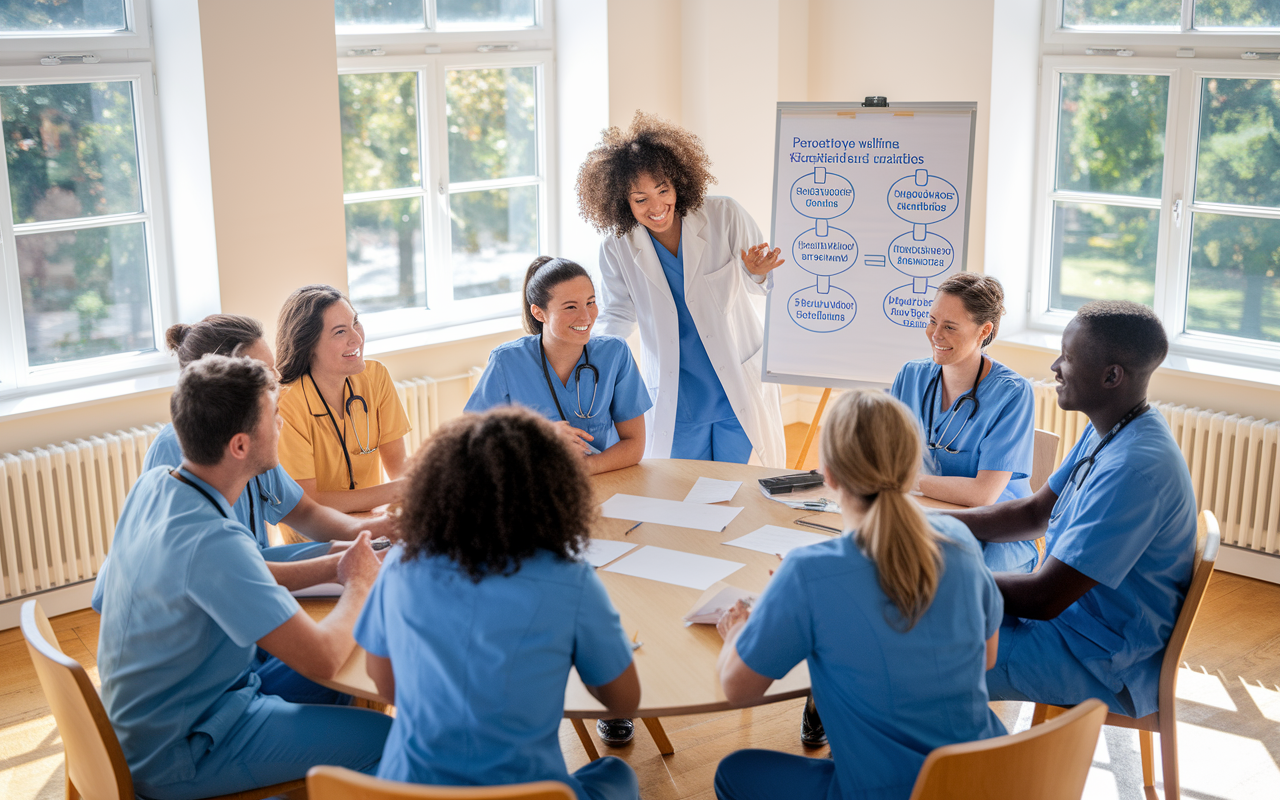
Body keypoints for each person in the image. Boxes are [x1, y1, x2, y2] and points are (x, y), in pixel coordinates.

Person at [94, 355, 392, 800]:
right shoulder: (213, 540)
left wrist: (334, 566)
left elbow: (228, 574)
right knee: (386, 739)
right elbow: (324, 658)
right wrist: (361, 582)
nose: (282, 426)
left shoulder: (157, 485)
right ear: (240, 445)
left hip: (161, 720)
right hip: (185, 751)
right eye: (275, 417)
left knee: (337, 693)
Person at [712, 390, 1005, 800]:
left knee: (734, 772)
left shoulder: (807, 572)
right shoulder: (959, 538)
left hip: (891, 791)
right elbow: (988, 657)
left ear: (828, 475)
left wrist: (739, 631)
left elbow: (737, 689)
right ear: (910, 469)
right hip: (989, 777)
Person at [354, 407, 641, 800]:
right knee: (616, 773)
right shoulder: (570, 579)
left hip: (409, 790)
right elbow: (623, 701)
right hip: (532, 791)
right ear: (554, 493)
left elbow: (385, 684)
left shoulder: (401, 564)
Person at [945, 300, 1197, 718]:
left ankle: (931, 776)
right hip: (1069, 626)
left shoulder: (1135, 469)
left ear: (1111, 375)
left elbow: (1044, 598)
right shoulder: (1111, 428)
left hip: (1098, 659)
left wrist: (941, 577)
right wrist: (926, 524)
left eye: (1068, 357)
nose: (1055, 366)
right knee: (919, 621)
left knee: (914, 652)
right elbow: (1032, 515)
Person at [92, 315, 396, 610]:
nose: (277, 381)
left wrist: (372, 532)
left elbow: (304, 512)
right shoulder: (177, 453)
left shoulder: (255, 438)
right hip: (204, 599)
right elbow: (224, 571)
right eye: (263, 372)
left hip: (243, 574)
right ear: (223, 383)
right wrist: (342, 566)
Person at [577, 111, 786, 467]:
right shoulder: (616, 247)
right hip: (679, 393)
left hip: (736, 383)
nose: (657, 207)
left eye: (663, 190)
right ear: (622, 202)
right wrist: (592, 354)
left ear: (679, 182)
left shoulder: (725, 215)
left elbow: (769, 285)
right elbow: (619, 312)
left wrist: (755, 273)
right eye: (640, 199)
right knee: (685, 493)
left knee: (746, 489)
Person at [889, 273, 1038, 574]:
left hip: (994, 532)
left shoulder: (1012, 393)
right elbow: (885, 458)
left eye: (950, 327)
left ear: (985, 330)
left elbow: (983, 495)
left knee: (938, 580)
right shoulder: (911, 376)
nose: (935, 334)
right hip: (922, 516)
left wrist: (906, 483)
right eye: (932, 321)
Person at [465, 256, 651, 475]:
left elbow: (634, 444)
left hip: (602, 480)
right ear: (538, 312)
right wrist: (540, 436)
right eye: (570, 307)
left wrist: (585, 467)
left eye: (590, 302)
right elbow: (472, 440)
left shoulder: (614, 353)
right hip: (534, 485)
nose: (586, 317)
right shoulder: (506, 361)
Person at [275, 285, 412, 515]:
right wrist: (399, 491)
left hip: (372, 524)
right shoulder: (286, 404)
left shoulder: (375, 376)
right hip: (317, 540)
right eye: (340, 332)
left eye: (355, 322)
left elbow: (400, 467)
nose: (357, 338)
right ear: (308, 345)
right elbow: (308, 501)